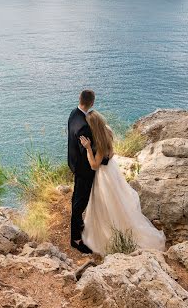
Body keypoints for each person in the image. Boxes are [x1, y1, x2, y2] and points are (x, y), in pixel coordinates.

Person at [80, 110, 166, 256]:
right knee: (117, 201)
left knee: (104, 205)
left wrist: (88, 148)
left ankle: (108, 238)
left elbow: (94, 165)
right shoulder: (107, 131)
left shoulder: (98, 141)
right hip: (112, 170)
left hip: (102, 175)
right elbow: (111, 153)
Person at [67, 89, 101, 254]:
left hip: (74, 165)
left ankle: (79, 226)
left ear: (79, 99)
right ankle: (76, 240)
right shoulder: (84, 127)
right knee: (79, 204)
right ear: (92, 103)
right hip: (84, 171)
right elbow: (87, 153)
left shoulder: (73, 114)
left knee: (76, 200)